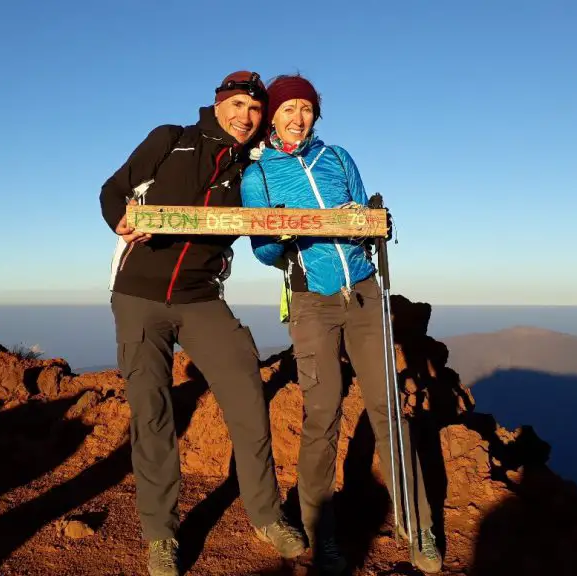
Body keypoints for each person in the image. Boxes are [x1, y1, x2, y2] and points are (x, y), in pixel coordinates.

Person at [99, 71, 306, 576]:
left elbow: (274, 222)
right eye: (237, 105)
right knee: (151, 412)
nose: (245, 117)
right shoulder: (171, 139)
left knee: (245, 391)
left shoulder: (254, 167)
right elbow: (114, 189)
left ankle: (266, 514)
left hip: (201, 299)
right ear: (217, 105)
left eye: (255, 110)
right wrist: (121, 220)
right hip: (138, 295)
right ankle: (160, 535)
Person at [239, 74, 443, 575]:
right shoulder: (258, 176)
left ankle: (418, 530)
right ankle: (319, 532)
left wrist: (375, 222)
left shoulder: (338, 157)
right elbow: (263, 250)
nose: (298, 117)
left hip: (365, 292)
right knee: (322, 415)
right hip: (312, 300)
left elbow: (364, 217)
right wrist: (285, 231)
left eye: (307, 109)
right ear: (272, 116)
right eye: (289, 109)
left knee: (387, 408)